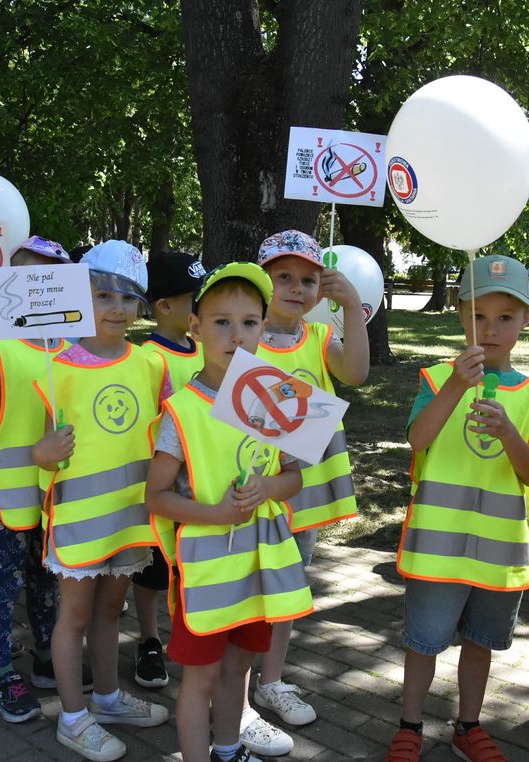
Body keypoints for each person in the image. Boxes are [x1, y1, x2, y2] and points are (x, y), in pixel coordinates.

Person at [387, 255, 529, 762]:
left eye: (506, 317)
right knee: (423, 642)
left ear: (526, 320)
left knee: (481, 642)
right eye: (479, 315)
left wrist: (509, 434)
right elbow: (418, 439)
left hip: (498, 550)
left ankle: (468, 725)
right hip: (438, 549)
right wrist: (458, 385)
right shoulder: (439, 379)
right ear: (461, 316)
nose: (491, 328)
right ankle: (409, 726)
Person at [146, 262, 312, 762]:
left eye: (249, 322)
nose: (236, 335)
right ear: (195, 327)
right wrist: (217, 514)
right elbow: (156, 497)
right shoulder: (184, 410)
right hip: (206, 571)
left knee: (239, 667)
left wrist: (268, 488)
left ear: (265, 328)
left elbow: (294, 477)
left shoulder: (278, 395)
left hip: (259, 567)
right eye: (221, 322)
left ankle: (228, 747)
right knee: (200, 677)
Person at [32, 240, 170, 761]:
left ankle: (108, 698)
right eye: (103, 294)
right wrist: (43, 453)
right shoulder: (57, 367)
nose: (116, 307)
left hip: (131, 515)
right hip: (79, 518)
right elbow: (44, 452)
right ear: (79, 297)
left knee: (112, 609)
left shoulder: (152, 365)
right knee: (75, 615)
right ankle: (72, 717)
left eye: (128, 297)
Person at [245, 230, 368, 750]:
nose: (297, 288)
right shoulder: (241, 338)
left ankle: (271, 682)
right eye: (284, 277)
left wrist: (354, 309)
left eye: (309, 280)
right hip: (251, 492)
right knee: (250, 591)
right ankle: (240, 691)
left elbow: (357, 372)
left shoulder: (320, 340)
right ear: (262, 281)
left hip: (302, 493)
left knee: (291, 589)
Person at [0, 235, 78, 723]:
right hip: (13, 490)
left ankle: (44, 656)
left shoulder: (73, 351)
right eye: (27, 277)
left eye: (50, 278)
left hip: (55, 493)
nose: (39, 289)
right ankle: (0, 673)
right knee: (4, 580)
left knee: (46, 579)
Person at [132, 250, 208, 690]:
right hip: (163, 486)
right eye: (193, 298)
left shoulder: (206, 349)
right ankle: (148, 639)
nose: (201, 307)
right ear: (164, 306)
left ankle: (193, 635)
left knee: (190, 565)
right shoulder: (149, 357)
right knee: (153, 569)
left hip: (203, 486)